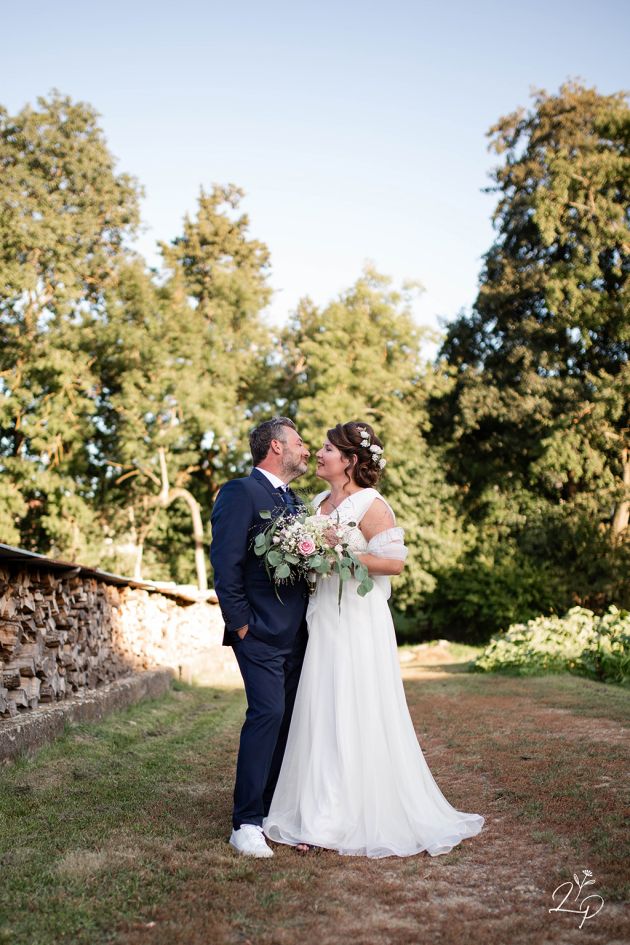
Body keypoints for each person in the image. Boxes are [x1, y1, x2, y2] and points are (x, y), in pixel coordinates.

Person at [263, 420, 485, 858]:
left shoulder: (372, 503)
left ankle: (346, 813)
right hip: (323, 616)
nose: (319, 454)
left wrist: (339, 554)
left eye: (327, 449)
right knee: (322, 707)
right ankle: (316, 809)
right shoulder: (319, 502)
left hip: (357, 620)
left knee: (353, 704)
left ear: (349, 461)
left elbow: (393, 563)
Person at [210, 417, 311, 858]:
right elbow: (226, 563)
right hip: (259, 632)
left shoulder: (297, 502)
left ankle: (270, 811)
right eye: (300, 442)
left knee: (288, 720)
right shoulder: (240, 492)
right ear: (276, 447)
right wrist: (241, 623)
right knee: (267, 714)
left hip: (300, 634)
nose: (306, 450)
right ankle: (245, 822)